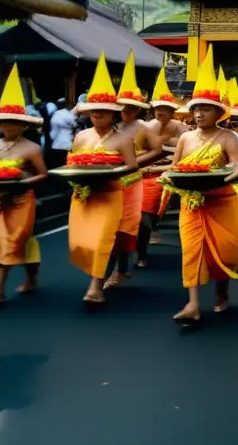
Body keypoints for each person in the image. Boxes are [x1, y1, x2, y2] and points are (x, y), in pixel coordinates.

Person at [169, 48, 238, 323]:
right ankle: (192, 304)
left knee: (224, 253)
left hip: (222, 201)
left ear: (218, 112)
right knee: (191, 251)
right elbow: (175, 169)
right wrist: (167, 177)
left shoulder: (228, 137)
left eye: (205, 109)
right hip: (192, 203)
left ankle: (221, 292)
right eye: (196, 109)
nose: (199, 114)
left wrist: (223, 179)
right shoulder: (185, 139)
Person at [65, 53, 139, 305]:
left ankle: (95, 287)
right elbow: (72, 162)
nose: (98, 117)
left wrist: (109, 172)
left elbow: (131, 166)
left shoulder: (122, 140)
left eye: (103, 113)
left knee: (101, 240)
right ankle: (97, 277)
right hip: (83, 195)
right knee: (80, 242)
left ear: (114, 115)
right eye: (94, 113)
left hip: (109, 194)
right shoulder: (81, 137)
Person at [0, 65, 48, 309]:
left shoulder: (32, 148)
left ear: (23, 125)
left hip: (20, 201)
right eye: (4, 123)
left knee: (13, 240)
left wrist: (23, 182)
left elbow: (43, 175)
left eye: (14, 123)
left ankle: (6, 286)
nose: (9, 127)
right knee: (0, 241)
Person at [105, 52, 164, 286]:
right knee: (112, 228)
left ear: (138, 109)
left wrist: (134, 163)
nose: (125, 111)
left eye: (130, 108)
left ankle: (130, 261)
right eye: (122, 107)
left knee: (134, 224)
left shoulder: (143, 127)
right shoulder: (115, 127)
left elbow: (158, 150)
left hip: (135, 180)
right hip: (112, 181)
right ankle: (118, 269)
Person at [139, 69, 187, 261]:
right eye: (158, 108)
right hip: (148, 175)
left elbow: (187, 153)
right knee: (143, 216)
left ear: (172, 111)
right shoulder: (145, 128)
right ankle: (141, 251)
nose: (161, 112)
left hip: (172, 172)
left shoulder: (181, 129)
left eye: (166, 109)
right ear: (153, 110)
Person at [48, 98, 77, 169]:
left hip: (57, 145)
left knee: (57, 166)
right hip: (68, 144)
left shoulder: (55, 115)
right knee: (66, 165)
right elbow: (75, 125)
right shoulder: (69, 114)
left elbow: (53, 132)